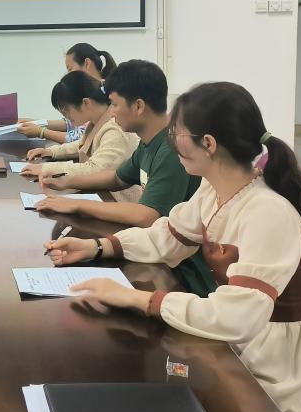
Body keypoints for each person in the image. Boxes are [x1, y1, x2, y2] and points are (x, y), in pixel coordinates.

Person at [43, 82, 301, 412]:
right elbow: (166, 237)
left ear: (208, 144)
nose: (171, 141)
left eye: (176, 133)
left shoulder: (268, 213)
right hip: (241, 343)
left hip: (273, 373)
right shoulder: (215, 190)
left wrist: (139, 299)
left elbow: (238, 316)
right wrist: (97, 247)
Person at [35, 60, 214, 295]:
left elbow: (146, 216)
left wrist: (77, 204)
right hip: (156, 253)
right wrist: (65, 181)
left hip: (181, 273)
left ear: (138, 106)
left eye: (114, 104)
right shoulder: (149, 143)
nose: (111, 112)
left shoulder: (171, 151)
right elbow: (117, 178)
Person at [20, 72, 138, 187]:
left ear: (85, 103)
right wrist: (52, 152)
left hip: (116, 197)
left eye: (66, 111)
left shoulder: (114, 128)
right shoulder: (97, 121)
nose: (66, 117)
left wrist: (46, 168)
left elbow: (96, 170)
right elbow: (83, 145)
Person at [18, 43, 117, 144]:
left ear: (87, 63)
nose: (69, 74)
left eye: (70, 69)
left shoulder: (109, 94)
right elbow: (74, 122)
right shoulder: (100, 89)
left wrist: (41, 131)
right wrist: (38, 123)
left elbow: (80, 137)